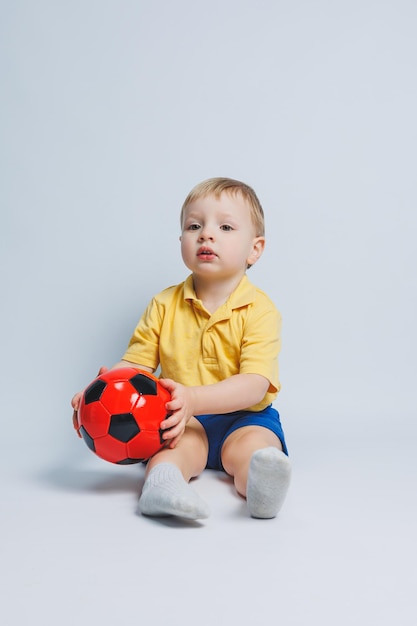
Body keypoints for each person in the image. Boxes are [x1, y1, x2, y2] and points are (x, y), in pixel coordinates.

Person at [71, 177, 291, 520]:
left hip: (246, 416)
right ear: (181, 241)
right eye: (194, 225)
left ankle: (261, 488)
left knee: (255, 448)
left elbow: (255, 383)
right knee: (174, 451)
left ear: (255, 249)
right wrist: (97, 391)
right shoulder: (164, 304)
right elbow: (136, 365)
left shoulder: (261, 310)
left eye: (226, 226)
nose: (206, 234)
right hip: (179, 416)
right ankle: (162, 486)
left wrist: (196, 399)